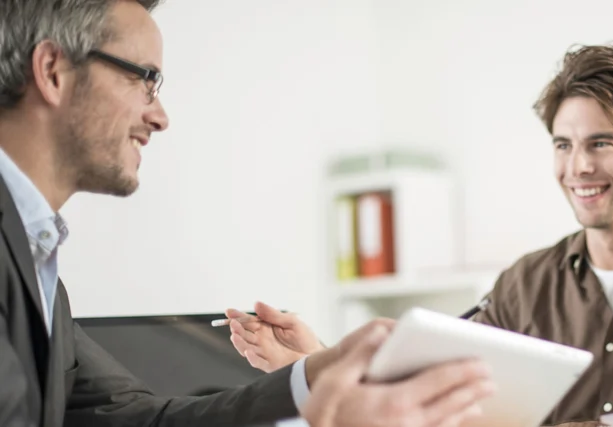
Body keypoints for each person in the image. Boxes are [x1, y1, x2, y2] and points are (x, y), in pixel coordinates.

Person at [0, 1, 492, 426]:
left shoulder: (36, 261)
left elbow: (140, 419)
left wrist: (316, 376)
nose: (160, 115)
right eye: (144, 79)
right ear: (52, 71)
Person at [224, 44, 613, 425]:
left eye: (600, 143)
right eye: (562, 144)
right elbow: (442, 395)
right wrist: (318, 361)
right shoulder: (525, 282)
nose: (577, 166)